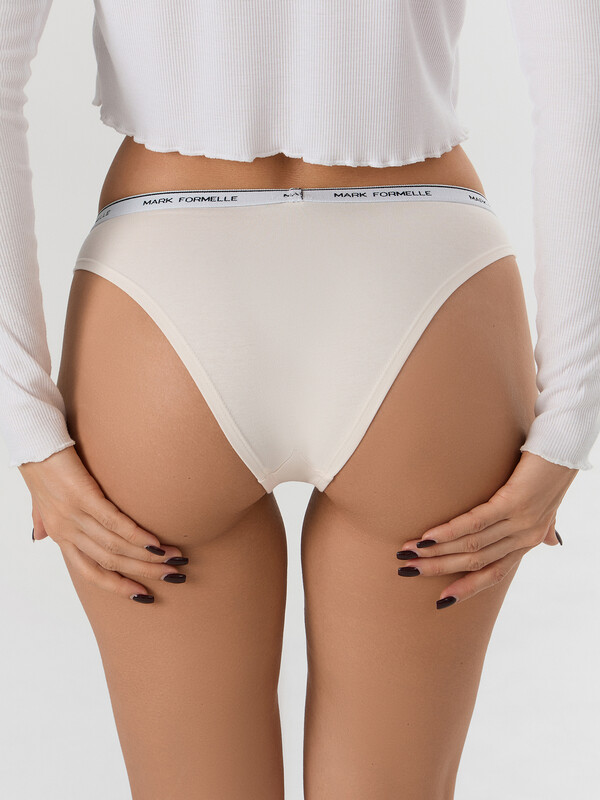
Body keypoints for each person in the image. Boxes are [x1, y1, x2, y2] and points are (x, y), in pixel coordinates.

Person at [1, 1, 598, 797]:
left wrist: (26, 419)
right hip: (424, 277)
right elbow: (580, 80)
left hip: (164, 278)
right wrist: (570, 419)